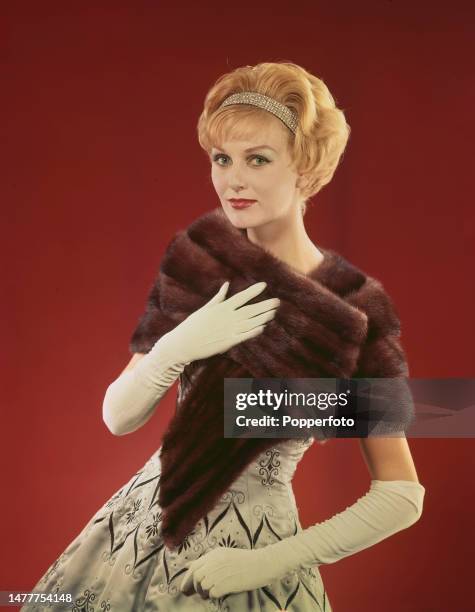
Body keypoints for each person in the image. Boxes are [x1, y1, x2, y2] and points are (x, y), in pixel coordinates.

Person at [22, 61, 425, 612]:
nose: (233, 180)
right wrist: (178, 345)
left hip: (258, 552)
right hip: (141, 532)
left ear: (304, 167)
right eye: (221, 159)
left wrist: (267, 563)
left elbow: (401, 496)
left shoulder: (355, 309)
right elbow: (118, 418)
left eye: (258, 160)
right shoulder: (198, 259)